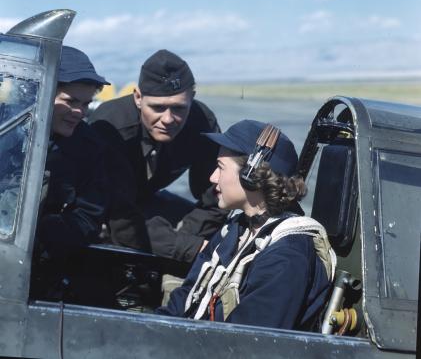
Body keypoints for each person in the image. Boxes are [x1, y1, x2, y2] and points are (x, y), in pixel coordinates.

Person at [157, 119, 336, 330]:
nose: (213, 177)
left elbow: (248, 342)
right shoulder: (236, 228)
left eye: (221, 168)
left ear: (250, 176)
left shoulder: (286, 255)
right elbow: (186, 295)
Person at [90, 49, 226, 263]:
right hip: (106, 210)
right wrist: (187, 247)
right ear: (138, 97)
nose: (168, 119)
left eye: (179, 108)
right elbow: (121, 218)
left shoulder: (202, 123)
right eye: (157, 107)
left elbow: (215, 197)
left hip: (147, 203)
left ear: (192, 98)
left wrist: (188, 234)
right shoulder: (112, 126)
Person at [36, 45, 110, 259]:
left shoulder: (90, 147)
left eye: (86, 104)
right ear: (43, 93)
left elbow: (89, 216)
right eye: (71, 101)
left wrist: (45, 231)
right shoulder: (8, 130)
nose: (80, 112)